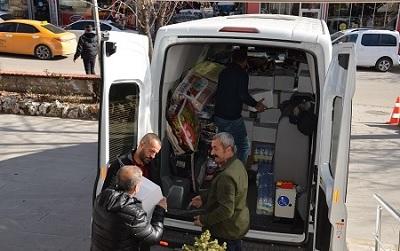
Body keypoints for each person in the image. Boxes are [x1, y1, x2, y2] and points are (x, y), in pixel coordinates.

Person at [191, 132, 250, 251]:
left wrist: (204, 220)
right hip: (236, 227)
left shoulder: (226, 176)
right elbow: (225, 192)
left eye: (215, 148)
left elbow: (226, 210)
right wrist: (204, 197)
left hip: (226, 232)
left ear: (228, 150)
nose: (212, 153)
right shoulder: (237, 164)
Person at [91, 165, 167, 251]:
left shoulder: (102, 197)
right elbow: (154, 237)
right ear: (136, 187)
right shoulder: (135, 214)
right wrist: (160, 209)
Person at [214, 48, 266, 164]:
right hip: (232, 118)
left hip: (219, 116)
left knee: (222, 145)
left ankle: (221, 167)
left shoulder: (223, 72)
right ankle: (238, 169)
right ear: (245, 61)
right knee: (243, 146)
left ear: (232, 59)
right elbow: (242, 95)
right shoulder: (242, 74)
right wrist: (256, 104)